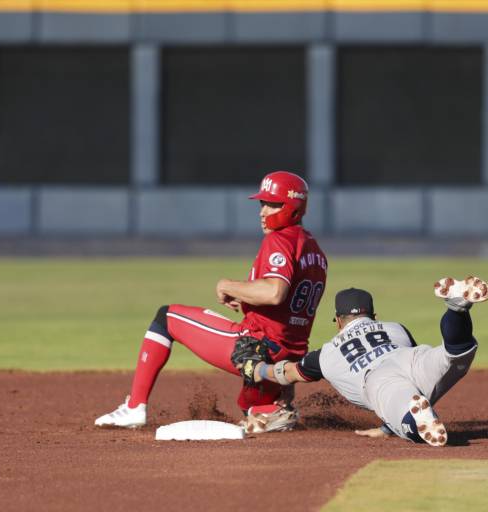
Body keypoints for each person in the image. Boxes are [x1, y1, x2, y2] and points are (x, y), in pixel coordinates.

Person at [95, 171, 328, 429]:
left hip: (256, 346)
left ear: (293, 207)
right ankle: (274, 411)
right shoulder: (314, 249)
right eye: (262, 203)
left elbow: (275, 293)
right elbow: (289, 308)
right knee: (252, 407)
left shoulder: (279, 239)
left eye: (272, 204)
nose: (263, 212)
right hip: (287, 356)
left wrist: (227, 285)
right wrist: (247, 301)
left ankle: (133, 407)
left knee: (166, 317)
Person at [233, 276, 488, 446]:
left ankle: (409, 420)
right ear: (374, 316)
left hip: (379, 380)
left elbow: (287, 373)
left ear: (337, 321)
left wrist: (257, 369)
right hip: (410, 358)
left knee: (410, 423)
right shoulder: (394, 328)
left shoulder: (325, 355)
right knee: (455, 353)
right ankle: (456, 308)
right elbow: (420, 379)